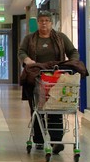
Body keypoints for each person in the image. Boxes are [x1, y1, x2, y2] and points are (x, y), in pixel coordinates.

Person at [18, 11, 80, 154]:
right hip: (37, 78)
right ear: (38, 23)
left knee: (56, 108)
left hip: (56, 79)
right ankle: (39, 140)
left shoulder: (60, 38)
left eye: (47, 20)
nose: (44, 23)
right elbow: (21, 52)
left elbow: (73, 51)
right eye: (41, 21)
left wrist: (72, 63)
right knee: (37, 109)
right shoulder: (30, 38)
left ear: (51, 23)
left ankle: (56, 141)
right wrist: (27, 60)